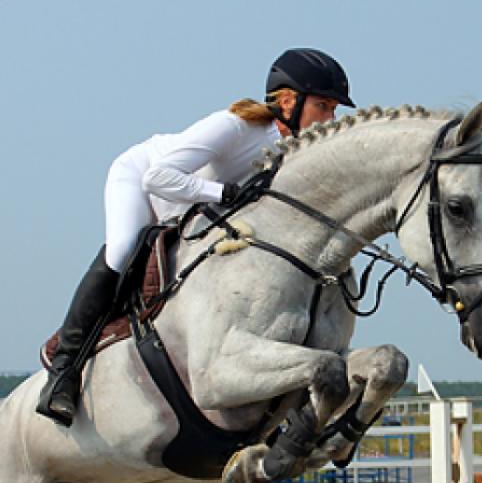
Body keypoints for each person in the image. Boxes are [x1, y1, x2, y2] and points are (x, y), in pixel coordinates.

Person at [36, 48, 355, 427]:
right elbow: (158, 177)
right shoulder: (236, 125)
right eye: (323, 106)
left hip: (195, 208)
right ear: (288, 101)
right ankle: (63, 370)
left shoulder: (294, 154)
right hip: (143, 179)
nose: (329, 119)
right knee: (122, 250)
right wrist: (223, 193)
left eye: (333, 110)